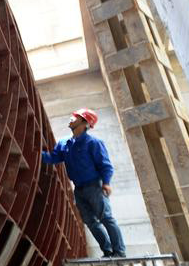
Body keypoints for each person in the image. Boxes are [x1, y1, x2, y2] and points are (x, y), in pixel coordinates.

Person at [42, 108, 126, 258]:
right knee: (90, 222)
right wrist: (37, 152)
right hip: (79, 189)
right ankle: (107, 251)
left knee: (106, 218)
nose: (71, 119)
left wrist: (106, 183)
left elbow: (105, 165)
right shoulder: (64, 143)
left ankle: (119, 252)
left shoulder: (93, 143)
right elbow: (53, 158)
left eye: (76, 117)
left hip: (94, 186)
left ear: (85, 123)